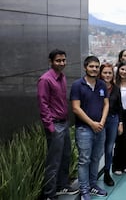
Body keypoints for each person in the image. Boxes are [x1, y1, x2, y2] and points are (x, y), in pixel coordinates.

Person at [37, 49, 79, 200]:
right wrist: (51, 127)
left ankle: (62, 186)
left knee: (65, 157)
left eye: (63, 60)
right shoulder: (45, 80)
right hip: (55, 125)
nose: (62, 63)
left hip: (64, 123)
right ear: (51, 62)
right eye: (58, 60)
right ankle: (49, 194)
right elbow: (43, 105)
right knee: (53, 162)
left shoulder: (62, 77)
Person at [70, 56, 109, 200]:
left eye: (97, 67)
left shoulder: (102, 84)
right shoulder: (77, 85)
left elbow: (106, 104)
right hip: (84, 129)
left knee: (96, 158)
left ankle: (93, 185)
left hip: (100, 128)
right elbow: (75, 108)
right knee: (84, 160)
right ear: (85, 67)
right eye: (91, 66)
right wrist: (92, 123)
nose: (94, 69)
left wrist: (102, 122)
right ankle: (84, 189)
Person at [99, 63, 123, 186]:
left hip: (113, 120)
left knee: (109, 149)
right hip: (98, 121)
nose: (107, 75)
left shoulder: (116, 88)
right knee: (98, 150)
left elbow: (120, 107)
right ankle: (93, 176)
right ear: (100, 74)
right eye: (105, 72)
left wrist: (120, 123)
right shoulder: (96, 87)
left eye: (109, 73)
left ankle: (107, 173)